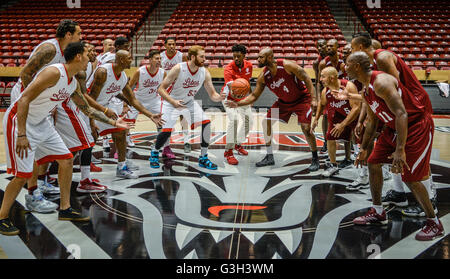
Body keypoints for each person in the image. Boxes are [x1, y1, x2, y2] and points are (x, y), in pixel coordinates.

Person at [0, 42, 131, 235]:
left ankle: (65, 208)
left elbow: (86, 109)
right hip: (21, 122)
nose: (90, 58)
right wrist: (21, 134)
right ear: (78, 56)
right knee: (22, 176)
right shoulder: (54, 72)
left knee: (67, 159)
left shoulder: (72, 82)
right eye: (87, 54)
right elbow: (24, 98)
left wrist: (113, 122)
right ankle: (2, 217)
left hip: (42, 122)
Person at [347, 52, 443, 241]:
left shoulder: (381, 82)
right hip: (393, 128)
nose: (344, 66)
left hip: (415, 126)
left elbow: (402, 114)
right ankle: (378, 211)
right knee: (373, 162)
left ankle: (434, 222)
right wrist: (364, 147)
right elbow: (373, 122)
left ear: (357, 66)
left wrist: (400, 150)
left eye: (347, 63)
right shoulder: (366, 89)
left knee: (411, 177)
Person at [9, 19, 82, 212]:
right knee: (30, 145)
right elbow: (25, 73)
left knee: (45, 143)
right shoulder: (50, 48)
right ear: (68, 35)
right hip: (26, 97)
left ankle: (39, 185)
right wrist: (32, 101)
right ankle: (33, 193)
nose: (81, 37)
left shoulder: (64, 54)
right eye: (79, 34)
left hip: (40, 100)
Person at [226, 48, 319, 170]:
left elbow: (307, 78)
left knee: (306, 128)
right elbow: (254, 96)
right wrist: (237, 103)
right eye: (258, 57)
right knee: (266, 122)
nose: (258, 60)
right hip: (284, 102)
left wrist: (313, 98)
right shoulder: (263, 76)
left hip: (302, 99)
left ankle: (315, 158)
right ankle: (269, 156)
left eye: (261, 57)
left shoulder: (286, 65)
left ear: (270, 57)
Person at [86, 50, 164, 179]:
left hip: (106, 106)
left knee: (121, 130)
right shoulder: (103, 72)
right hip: (90, 108)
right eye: (129, 58)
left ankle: (121, 166)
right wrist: (92, 122)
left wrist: (150, 115)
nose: (131, 60)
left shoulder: (122, 76)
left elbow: (132, 99)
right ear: (121, 60)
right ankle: (83, 172)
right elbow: (90, 99)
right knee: (89, 140)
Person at [149, 45, 226, 169]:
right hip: (170, 102)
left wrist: (221, 97)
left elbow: (213, 95)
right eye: (202, 56)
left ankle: (203, 157)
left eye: (204, 56)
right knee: (166, 131)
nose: (204, 59)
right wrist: (173, 101)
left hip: (189, 102)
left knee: (206, 123)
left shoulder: (204, 72)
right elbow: (161, 89)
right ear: (193, 57)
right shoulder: (178, 68)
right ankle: (155, 151)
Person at [54, 42, 107, 193]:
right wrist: (101, 113)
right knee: (83, 143)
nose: (93, 52)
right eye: (89, 50)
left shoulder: (89, 66)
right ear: (80, 55)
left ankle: (84, 177)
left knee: (80, 144)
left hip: (76, 107)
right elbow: (83, 96)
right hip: (69, 108)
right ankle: (82, 179)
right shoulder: (78, 70)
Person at [311, 67, 360, 177]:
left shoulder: (348, 86)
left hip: (354, 115)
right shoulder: (325, 91)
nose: (320, 80)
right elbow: (322, 104)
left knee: (358, 138)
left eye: (323, 76)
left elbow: (356, 108)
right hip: (338, 115)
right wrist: (315, 119)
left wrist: (343, 125)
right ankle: (333, 165)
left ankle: (361, 163)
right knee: (330, 136)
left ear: (332, 78)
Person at [222, 44, 253, 165]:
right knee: (234, 120)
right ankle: (228, 151)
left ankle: (237, 144)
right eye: (234, 56)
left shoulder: (249, 66)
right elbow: (232, 88)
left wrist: (250, 98)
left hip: (243, 98)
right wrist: (236, 102)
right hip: (228, 97)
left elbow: (247, 83)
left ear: (244, 56)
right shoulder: (228, 68)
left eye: (238, 56)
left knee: (249, 121)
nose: (236, 58)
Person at [126, 50, 166, 143]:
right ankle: (127, 138)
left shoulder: (162, 72)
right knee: (128, 121)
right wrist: (126, 102)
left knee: (162, 119)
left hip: (154, 100)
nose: (159, 60)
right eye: (156, 59)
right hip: (138, 100)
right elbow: (129, 86)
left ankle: (159, 139)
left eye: (160, 58)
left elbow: (164, 88)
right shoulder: (140, 71)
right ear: (150, 60)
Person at [160, 37, 191, 155]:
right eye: (170, 44)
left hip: (179, 88)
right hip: (166, 89)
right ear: (165, 45)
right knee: (166, 118)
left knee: (183, 115)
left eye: (174, 44)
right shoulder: (161, 56)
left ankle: (186, 141)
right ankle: (166, 144)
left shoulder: (181, 56)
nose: (172, 46)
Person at [313, 39, 328, 154]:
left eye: (322, 45)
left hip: (340, 88)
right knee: (326, 117)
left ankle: (352, 144)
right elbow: (318, 82)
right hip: (325, 91)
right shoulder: (317, 63)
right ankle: (326, 141)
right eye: (318, 46)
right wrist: (317, 99)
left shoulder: (336, 58)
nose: (320, 48)